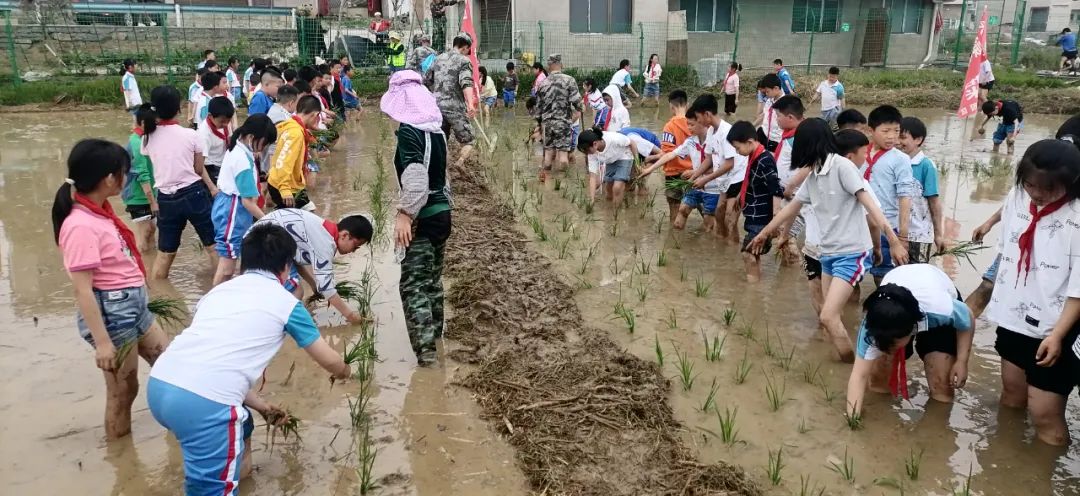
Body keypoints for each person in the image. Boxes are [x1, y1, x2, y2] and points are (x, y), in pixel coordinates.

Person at [147, 223, 352, 495]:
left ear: (245, 261)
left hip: (160, 385)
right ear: (286, 267)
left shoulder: (217, 293)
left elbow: (221, 365)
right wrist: (345, 371)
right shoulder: (286, 303)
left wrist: (264, 407)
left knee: (242, 422)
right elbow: (329, 360)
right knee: (211, 490)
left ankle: (239, 478)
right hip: (204, 403)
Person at [749, 123, 908, 362]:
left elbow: (871, 207)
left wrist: (893, 241)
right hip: (828, 254)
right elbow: (792, 207)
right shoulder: (815, 175)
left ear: (808, 146)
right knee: (828, 314)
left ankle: (852, 365)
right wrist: (764, 233)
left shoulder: (843, 167)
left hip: (852, 252)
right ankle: (850, 362)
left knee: (827, 316)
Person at [52, 139, 169, 440]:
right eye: (124, 173)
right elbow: (83, 291)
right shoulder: (80, 225)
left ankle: (175, 429)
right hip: (113, 314)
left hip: (134, 307)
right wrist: (103, 343)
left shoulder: (100, 212)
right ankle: (119, 455)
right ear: (108, 179)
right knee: (123, 390)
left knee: (170, 365)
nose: (126, 178)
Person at [983, 139, 1080, 446]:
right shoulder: (1016, 197)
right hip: (1015, 316)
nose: (1037, 194)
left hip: (1057, 327)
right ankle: (1006, 461)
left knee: (1044, 415)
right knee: (1012, 394)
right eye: (1030, 185)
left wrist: (1057, 336)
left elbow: (1079, 290)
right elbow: (1007, 254)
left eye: (1048, 189)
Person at [380, 70, 453, 365]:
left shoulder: (410, 133)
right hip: (442, 214)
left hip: (422, 217)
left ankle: (427, 357)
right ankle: (436, 337)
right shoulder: (435, 132)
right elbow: (443, 177)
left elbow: (415, 179)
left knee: (412, 287)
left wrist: (405, 214)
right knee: (432, 280)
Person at [845, 264, 974, 417]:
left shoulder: (941, 309)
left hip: (932, 295)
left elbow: (968, 319)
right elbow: (859, 375)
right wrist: (853, 419)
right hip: (896, 301)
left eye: (894, 343)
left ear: (913, 329)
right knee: (879, 378)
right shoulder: (872, 325)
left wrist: (962, 361)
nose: (889, 348)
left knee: (942, 386)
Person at [141, 85, 219, 279]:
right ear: (179, 108)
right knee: (213, 245)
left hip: (166, 199)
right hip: (194, 194)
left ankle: (159, 291)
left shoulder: (146, 138)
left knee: (165, 252)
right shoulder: (191, 135)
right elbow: (199, 170)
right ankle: (224, 286)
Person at [252, 209, 372, 323]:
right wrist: (351, 317)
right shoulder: (325, 243)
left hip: (256, 241)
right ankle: (275, 324)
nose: (354, 250)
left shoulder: (324, 230)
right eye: (355, 245)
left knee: (286, 288)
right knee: (296, 292)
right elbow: (327, 288)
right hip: (262, 246)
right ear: (345, 235)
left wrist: (314, 286)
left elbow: (296, 262)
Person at [211, 115, 277, 286]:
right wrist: (269, 221)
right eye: (264, 143)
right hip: (233, 211)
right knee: (227, 268)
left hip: (229, 207)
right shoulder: (242, 159)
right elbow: (248, 202)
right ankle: (213, 303)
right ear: (251, 138)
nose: (264, 149)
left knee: (228, 261)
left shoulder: (238, 148)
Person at [640, 106, 714, 230]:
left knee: (710, 224)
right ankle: (675, 243)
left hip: (712, 187)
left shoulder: (714, 141)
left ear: (702, 122)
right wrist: (649, 169)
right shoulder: (690, 141)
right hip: (695, 183)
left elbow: (721, 166)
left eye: (691, 125)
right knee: (681, 213)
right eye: (688, 124)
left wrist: (694, 172)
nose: (688, 128)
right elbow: (670, 154)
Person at [727, 121, 784, 282]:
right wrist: (741, 195)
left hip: (762, 218)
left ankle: (753, 290)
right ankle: (756, 281)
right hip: (754, 216)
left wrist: (775, 219)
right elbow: (752, 180)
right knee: (754, 253)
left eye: (738, 148)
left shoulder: (765, 160)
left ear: (750, 142)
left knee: (748, 252)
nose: (737, 152)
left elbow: (776, 190)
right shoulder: (755, 156)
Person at [863, 105, 914, 283]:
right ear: (871, 130)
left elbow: (905, 197)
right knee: (851, 278)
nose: (892, 136)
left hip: (887, 227)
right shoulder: (858, 153)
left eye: (896, 131)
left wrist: (902, 237)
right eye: (886, 131)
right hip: (859, 227)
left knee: (883, 278)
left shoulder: (901, 159)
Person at [687, 94, 739, 239]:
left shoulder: (727, 132)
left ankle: (733, 247)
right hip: (723, 181)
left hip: (736, 180)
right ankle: (722, 249)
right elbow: (709, 158)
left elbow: (730, 163)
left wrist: (706, 179)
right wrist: (695, 176)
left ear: (707, 114)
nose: (697, 121)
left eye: (698, 118)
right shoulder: (711, 131)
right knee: (719, 215)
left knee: (730, 219)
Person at [424, 33, 478, 169]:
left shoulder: (437, 59)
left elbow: (426, 81)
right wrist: (471, 104)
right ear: (465, 47)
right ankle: (458, 164)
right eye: (468, 51)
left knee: (442, 141)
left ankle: (442, 171)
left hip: (436, 108)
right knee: (470, 141)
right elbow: (466, 82)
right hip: (455, 108)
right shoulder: (464, 61)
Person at [898, 117, 945, 263]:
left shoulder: (926, 165)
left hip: (919, 234)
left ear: (918, 140)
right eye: (897, 137)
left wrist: (938, 234)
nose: (898, 142)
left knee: (917, 275)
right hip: (896, 233)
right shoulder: (895, 162)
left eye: (903, 137)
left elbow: (934, 201)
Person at [268, 95, 321, 210]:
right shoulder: (295, 133)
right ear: (315, 115)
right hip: (283, 185)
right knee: (304, 214)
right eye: (318, 117)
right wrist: (284, 189)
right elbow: (285, 160)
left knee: (307, 210)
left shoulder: (292, 125)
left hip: (286, 182)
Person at [536, 54, 583, 181]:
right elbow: (578, 104)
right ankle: (562, 185)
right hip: (563, 123)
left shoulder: (542, 83)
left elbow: (538, 110)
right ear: (561, 64)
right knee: (563, 156)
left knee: (548, 156)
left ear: (548, 65)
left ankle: (547, 183)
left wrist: (539, 125)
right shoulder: (569, 80)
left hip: (547, 123)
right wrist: (577, 113)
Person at [653, 90, 694, 223]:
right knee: (702, 206)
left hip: (673, 172)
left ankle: (674, 237)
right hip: (694, 171)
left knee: (674, 207)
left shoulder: (669, 126)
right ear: (687, 105)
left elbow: (667, 152)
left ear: (671, 106)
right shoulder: (695, 124)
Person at [123, 106, 158, 251]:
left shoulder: (147, 138)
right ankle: (144, 268)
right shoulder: (136, 143)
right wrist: (153, 202)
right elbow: (142, 174)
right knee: (143, 236)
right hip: (137, 195)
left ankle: (150, 267)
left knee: (151, 231)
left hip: (150, 193)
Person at [577, 126, 638, 205]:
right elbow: (592, 177)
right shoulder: (591, 153)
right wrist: (592, 199)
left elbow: (632, 143)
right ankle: (609, 211)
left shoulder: (614, 139)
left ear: (595, 144)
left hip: (624, 156)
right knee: (608, 190)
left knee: (617, 187)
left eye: (587, 150)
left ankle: (615, 213)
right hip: (610, 160)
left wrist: (637, 163)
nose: (587, 153)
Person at [196, 97, 235, 185]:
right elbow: (200, 164)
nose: (226, 124)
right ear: (210, 116)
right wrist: (212, 187)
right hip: (211, 168)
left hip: (223, 163)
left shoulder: (224, 123)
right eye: (222, 121)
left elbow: (228, 139)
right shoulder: (204, 134)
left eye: (228, 121)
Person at [753, 73, 784, 151]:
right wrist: (752, 126)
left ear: (776, 88)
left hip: (776, 139)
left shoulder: (785, 104)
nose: (766, 94)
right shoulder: (769, 100)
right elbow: (764, 115)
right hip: (764, 133)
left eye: (767, 92)